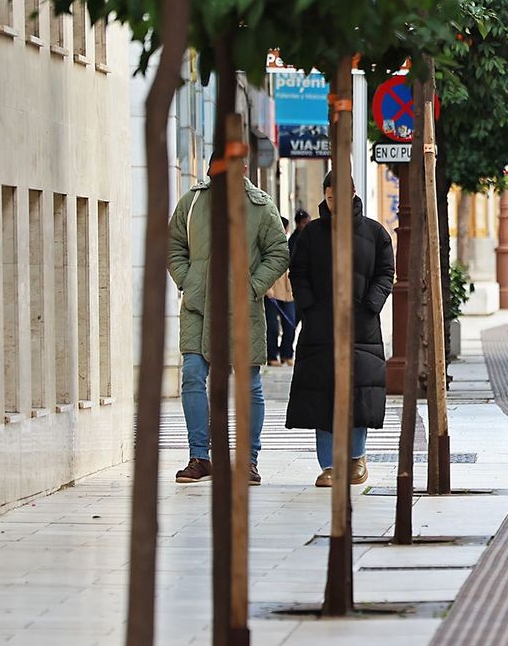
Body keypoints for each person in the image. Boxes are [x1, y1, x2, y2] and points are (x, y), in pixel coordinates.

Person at [167, 158, 290, 485]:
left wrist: (253, 286)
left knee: (248, 385)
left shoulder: (261, 207)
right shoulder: (192, 201)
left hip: (243, 309)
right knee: (193, 374)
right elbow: (174, 245)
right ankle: (199, 456)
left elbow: (279, 251)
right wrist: (187, 280)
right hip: (198, 305)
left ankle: (248, 461)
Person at [286, 173, 396, 488]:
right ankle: (329, 465)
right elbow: (299, 272)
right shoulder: (311, 235)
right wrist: (309, 307)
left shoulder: (375, 233)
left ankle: (356, 458)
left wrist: (370, 304)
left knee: (359, 394)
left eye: (340, 198)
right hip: (320, 328)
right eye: (330, 199)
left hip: (361, 327)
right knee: (323, 395)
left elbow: (386, 272)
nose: (334, 204)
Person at [265, 215, 297, 366]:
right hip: (271, 290)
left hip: (287, 290)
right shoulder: (266, 244)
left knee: (290, 323)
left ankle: (286, 354)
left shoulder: (289, 243)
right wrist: (266, 287)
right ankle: (271, 356)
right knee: (272, 326)